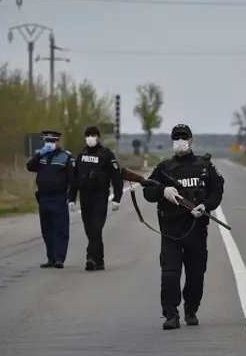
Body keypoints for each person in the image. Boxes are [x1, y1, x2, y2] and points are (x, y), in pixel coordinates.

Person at [142, 123, 225, 330]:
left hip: (196, 229)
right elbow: (148, 192)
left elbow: (217, 189)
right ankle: (170, 314)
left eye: (183, 138)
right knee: (170, 272)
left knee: (196, 273)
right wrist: (163, 191)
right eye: (176, 138)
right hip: (170, 230)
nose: (180, 142)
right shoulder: (163, 168)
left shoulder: (204, 167)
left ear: (190, 140)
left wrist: (206, 205)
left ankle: (191, 309)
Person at [68, 125, 124, 271]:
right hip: (85, 197)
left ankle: (90, 258)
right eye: (88, 135)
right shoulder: (82, 154)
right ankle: (99, 260)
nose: (90, 138)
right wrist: (71, 198)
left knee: (96, 228)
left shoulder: (106, 155)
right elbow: (74, 178)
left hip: (100, 197)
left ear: (98, 137)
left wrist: (117, 198)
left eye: (93, 135)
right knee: (89, 230)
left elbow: (116, 178)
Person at [26, 131, 75, 269]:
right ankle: (51, 258)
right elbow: (30, 166)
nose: (49, 144)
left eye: (52, 142)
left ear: (57, 142)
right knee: (47, 230)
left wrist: (71, 198)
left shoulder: (65, 157)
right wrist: (39, 154)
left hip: (59, 197)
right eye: (47, 142)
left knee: (61, 229)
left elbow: (73, 179)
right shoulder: (42, 156)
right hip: (43, 198)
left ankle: (60, 258)